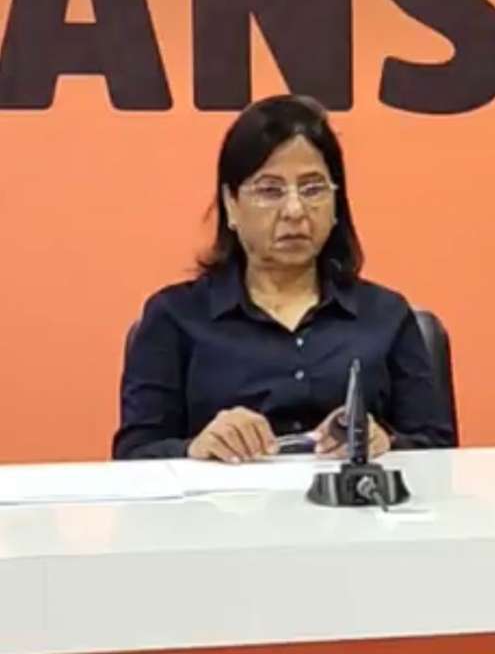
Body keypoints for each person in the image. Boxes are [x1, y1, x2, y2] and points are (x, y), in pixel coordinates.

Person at [113, 95, 455, 461]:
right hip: (225, 499)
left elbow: (438, 450)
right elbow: (134, 455)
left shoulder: (385, 315)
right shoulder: (175, 317)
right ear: (231, 204)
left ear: (336, 204)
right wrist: (196, 448)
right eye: (270, 191)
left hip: (352, 496)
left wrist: (384, 443)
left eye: (312, 189)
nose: (294, 210)